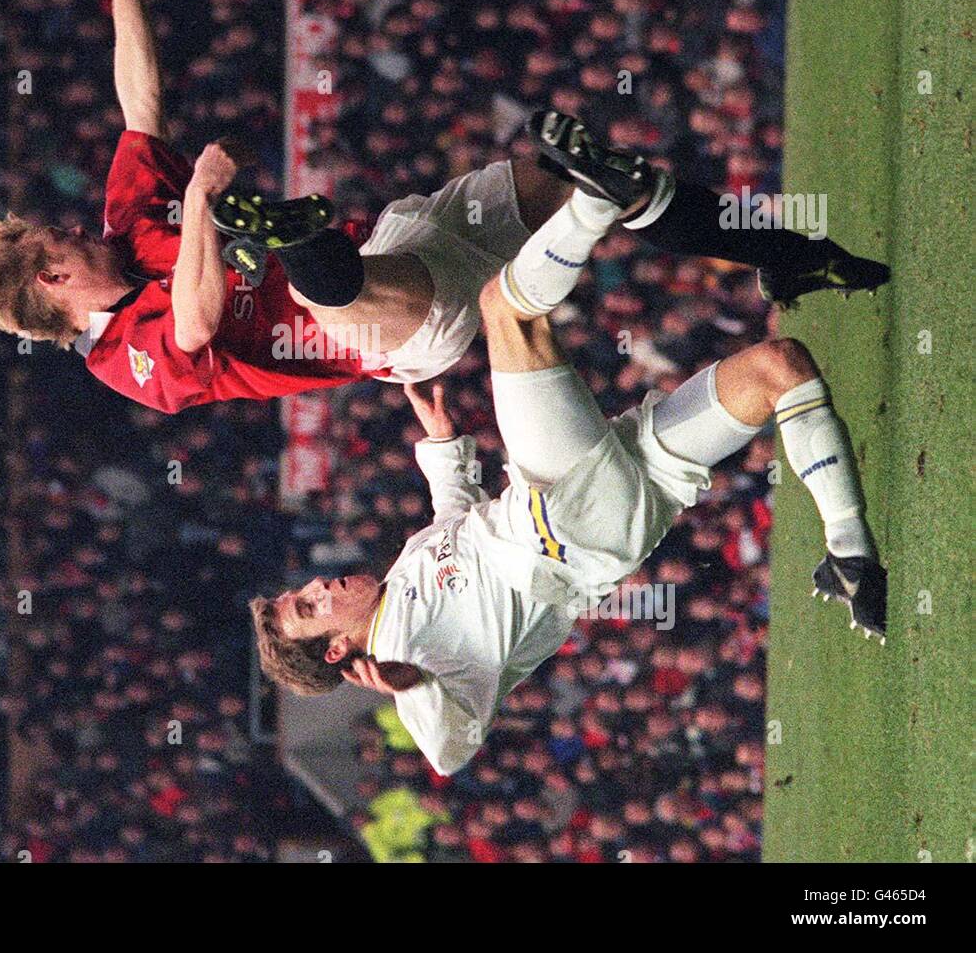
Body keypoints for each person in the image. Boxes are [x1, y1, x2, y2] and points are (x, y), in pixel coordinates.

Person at [0, 0, 888, 413]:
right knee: (349, 300)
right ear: (52, 280)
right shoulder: (125, 360)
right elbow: (200, 321)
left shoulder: (127, 219)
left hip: (406, 231)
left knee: (576, 174)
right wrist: (208, 199)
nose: (83, 234)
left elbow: (141, 101)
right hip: (397, 331)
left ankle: (787, 254)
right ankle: (298, 245)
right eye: (65, 243)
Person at [248, 204, 888, 776]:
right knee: (506, 310)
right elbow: (449, 754)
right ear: (337, 650)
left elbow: (457, 525)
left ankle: (849, 555)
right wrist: (407, 686)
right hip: (560, 525)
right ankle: (597, 197)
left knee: (782, 367)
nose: (317, 587)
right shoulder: (409, 655)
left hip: (615, 505)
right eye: (309, 608)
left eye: (300, 590)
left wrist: (443, 449)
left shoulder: (399, 584)